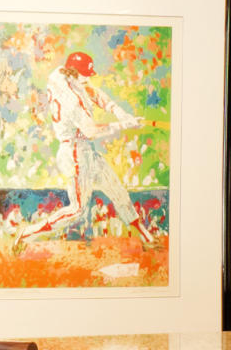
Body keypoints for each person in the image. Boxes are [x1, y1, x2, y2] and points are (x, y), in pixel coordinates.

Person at [27, 47, 144, 241]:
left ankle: (146, 237)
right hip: (73, 151)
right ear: (73, 73)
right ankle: (27, 234)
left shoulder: (59, 76)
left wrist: (117, 110)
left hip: (84, 149)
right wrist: (124, 124)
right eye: (84, 74)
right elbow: (91, 131)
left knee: (116, 188)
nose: (88, 78)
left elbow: (91, 91)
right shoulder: (72, 100)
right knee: (77, 210)